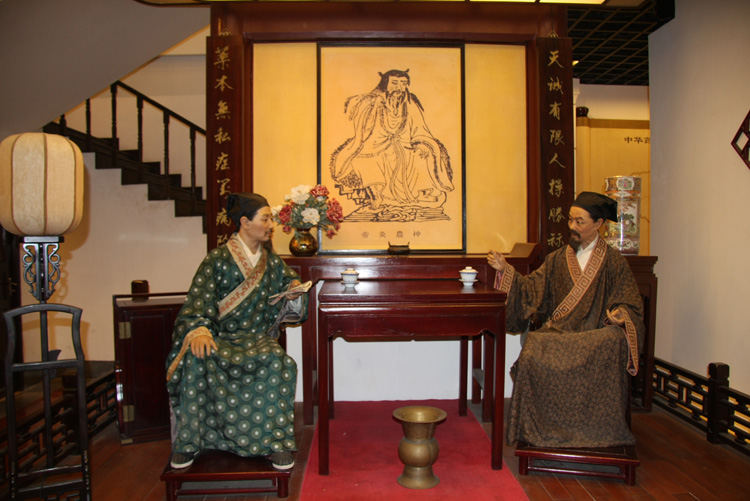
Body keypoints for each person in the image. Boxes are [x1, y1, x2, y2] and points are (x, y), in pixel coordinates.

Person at [487, 191, 645, 448]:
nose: (572, 226)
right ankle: (539, 429)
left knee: (613, 341)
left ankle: (594, 432)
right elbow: (530, 289)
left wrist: (621, 314)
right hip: (559, 333)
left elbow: (629, 301)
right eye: (570, 220)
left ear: (599, 223)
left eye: (579, 221)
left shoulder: (614, 263)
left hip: (594, 337)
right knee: (533, 347)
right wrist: (506, 271)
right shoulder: (557, 259)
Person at [165, 193, 308, 471]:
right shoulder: (216, 259)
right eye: (265, 219)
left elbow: (290, 280)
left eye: (271, 219)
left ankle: (276, 443)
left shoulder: (271, 261)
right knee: (197, 356)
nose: (271, 225)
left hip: (257, 339)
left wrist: (293, 290)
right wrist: (200, 330)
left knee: (279, 362)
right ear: (244, 222)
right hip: (219, 338)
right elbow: (197, 302)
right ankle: (190, 442)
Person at [329, 69, 454, 218]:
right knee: (362, 161)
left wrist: (421, 142)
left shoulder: (410, 103)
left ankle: (421, 194)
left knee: (422, 156)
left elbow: (419, 128)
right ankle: (377, 196)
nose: (399, 88)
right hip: (377, 144)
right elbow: (364, 129)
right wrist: (372, 107)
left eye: (403, 84)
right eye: (394, 83)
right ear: (385, 84)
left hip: (406, 145)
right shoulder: (373, 101)